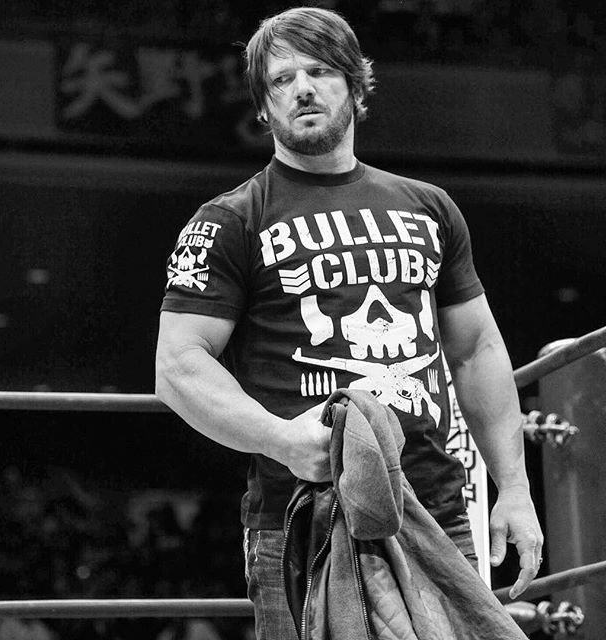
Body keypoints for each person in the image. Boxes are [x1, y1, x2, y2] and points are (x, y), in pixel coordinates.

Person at [155, 7, 543, 639]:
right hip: (301, 518)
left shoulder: (430, 207)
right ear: (263, 107)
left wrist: (515, 489)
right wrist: (281, 439)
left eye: (320, 71)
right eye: (281, 79)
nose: (302, 88)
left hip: (435, 511)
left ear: (355, 87)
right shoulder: (229, 220)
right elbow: (177, 368)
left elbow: (475, 350)